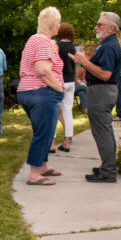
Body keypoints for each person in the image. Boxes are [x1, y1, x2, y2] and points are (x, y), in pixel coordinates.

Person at [69, 12, 121, 183]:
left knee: (102, 132)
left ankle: (108, 171)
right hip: (102, 91)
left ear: (111, 28)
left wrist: (84, 62)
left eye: (100, 24)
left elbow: (105, 74)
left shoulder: (108, 46)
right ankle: (108, 166)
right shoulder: (107, 44)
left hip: (101, 92)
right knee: (104, 131)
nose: (96, 27)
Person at [17, 7, 64, 186]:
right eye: (58, 23)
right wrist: (59, 87)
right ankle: (35, 174)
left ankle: (42, 166)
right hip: (42, 93)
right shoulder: (44, 42)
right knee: (43, 134)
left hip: (27, 92)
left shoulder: (33, 40)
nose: (59, 26)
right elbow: (42, 70)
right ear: (53, 25)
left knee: (45, 131)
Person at [51, 23, 76, 153]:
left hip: (59, 81)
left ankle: (52, 143)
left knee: (54, 111)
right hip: (71, 81)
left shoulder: (57, 46)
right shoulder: (73, 47)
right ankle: (67, 142)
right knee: (67, 111)